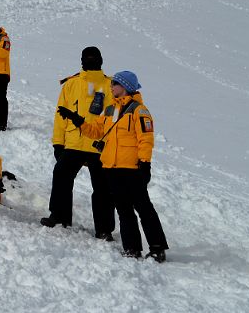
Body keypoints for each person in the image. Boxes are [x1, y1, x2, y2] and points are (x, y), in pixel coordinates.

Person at [58, 70, 168, 261]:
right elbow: (96, 131)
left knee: (144, 209)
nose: (111, 87)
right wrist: (78, 120)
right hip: (111, 168)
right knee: (124, 210)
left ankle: (157, 247)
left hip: (132, 169)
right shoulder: (110, 109)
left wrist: (145, 164)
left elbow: (146, 140)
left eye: (115, 84)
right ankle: (132, 248)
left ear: (124, 87)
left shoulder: (139, 111)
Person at [41, 47, 116, 239]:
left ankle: (104, 228)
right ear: (82, 60)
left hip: (99, 144)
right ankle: (59, 216)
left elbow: (116, 118)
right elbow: (60, 117)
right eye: (87, 58)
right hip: (73, 143)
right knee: (61, 177)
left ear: (100, 60)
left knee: (103, 188)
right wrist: (58, 142)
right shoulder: (71, 84)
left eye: (94, 58)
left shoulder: (111, 86)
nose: (90, 61)